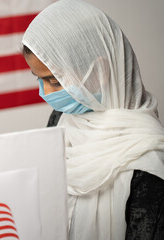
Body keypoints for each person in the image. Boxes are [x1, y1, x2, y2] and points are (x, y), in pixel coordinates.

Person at [21, 0, 164, 239]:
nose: (44, 92)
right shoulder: (61, 119)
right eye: (38, 78)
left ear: (100, 71)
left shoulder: (149, 162)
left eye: (55, 81)